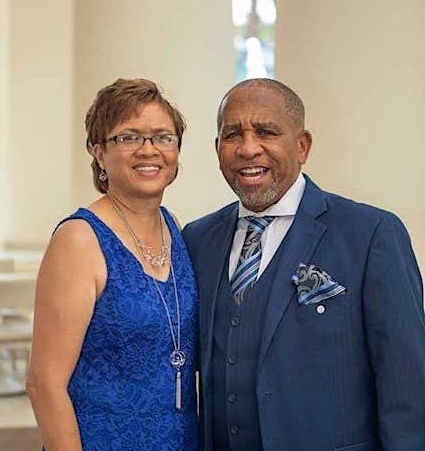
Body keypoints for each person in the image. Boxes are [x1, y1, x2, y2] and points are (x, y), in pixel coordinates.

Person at [182, 78, 425, 451]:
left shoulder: (371, 234)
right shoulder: (198, 239)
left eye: (266, 132)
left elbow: (407, 386)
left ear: (302, 145)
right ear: (218, 149)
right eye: (232, 135)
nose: (248, 148)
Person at [27, 78, 199, 451]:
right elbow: (44, 384)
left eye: (162, 137)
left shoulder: (174, 227)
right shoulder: (79, 239)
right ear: (99, 152)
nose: (149, 150)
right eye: (129, 137)